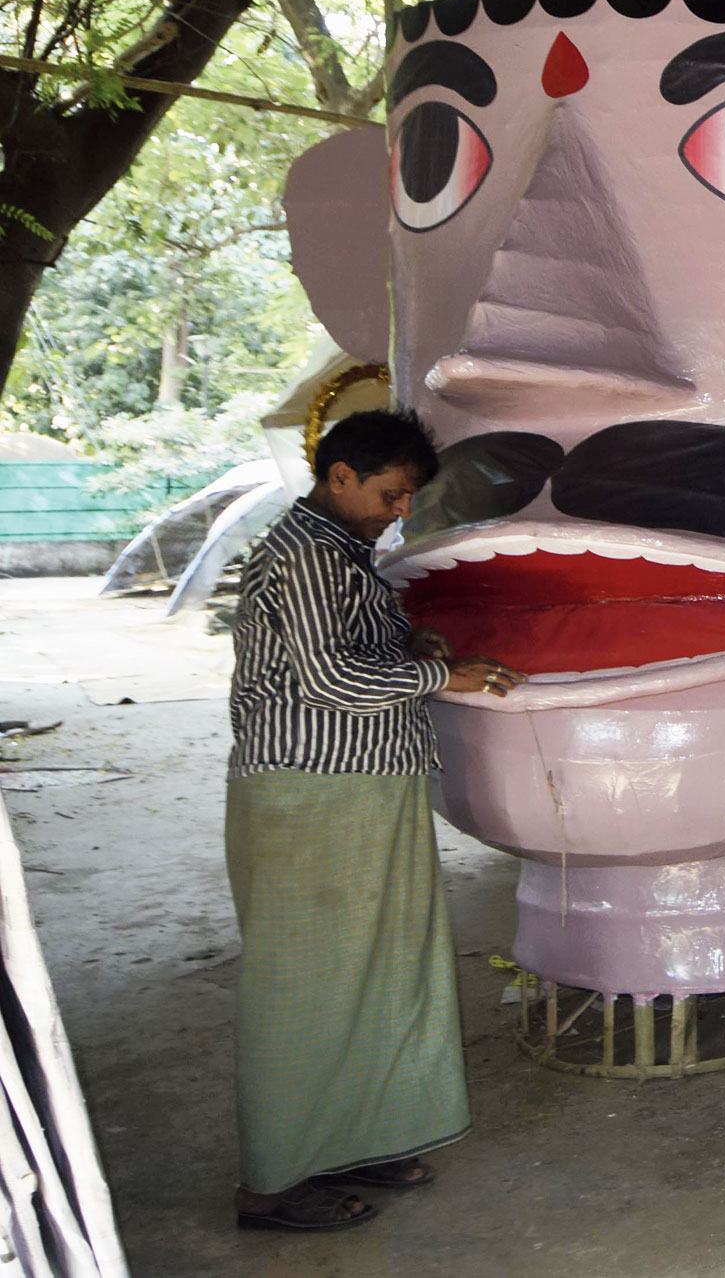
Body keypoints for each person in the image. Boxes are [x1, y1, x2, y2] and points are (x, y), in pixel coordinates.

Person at [226, 408, 522, 1233]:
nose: (401, 511)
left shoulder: (342, 554)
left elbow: (357, 658)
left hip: (360, 786)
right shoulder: (306, 554)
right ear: (340, 476)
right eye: (391, 494)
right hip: (309, 792)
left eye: (408, 497)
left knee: (376, 972)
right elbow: (328, 680)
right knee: (303, 987)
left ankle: (353, 1139)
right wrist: (443, 679)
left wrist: (415, 648)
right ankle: (273, 1183)